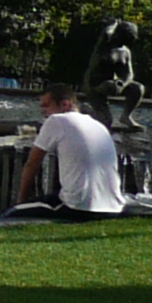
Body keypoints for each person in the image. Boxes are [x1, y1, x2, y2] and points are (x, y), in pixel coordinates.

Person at [19, 84, 125, 219]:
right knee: (50, 198)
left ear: (65, 104)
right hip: (114, 207)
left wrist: (21, 201)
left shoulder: (56, 120)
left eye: (46, 105)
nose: (42, 110)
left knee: (12, 213)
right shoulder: (97, 124)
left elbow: (32, 164)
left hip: (79, 207)